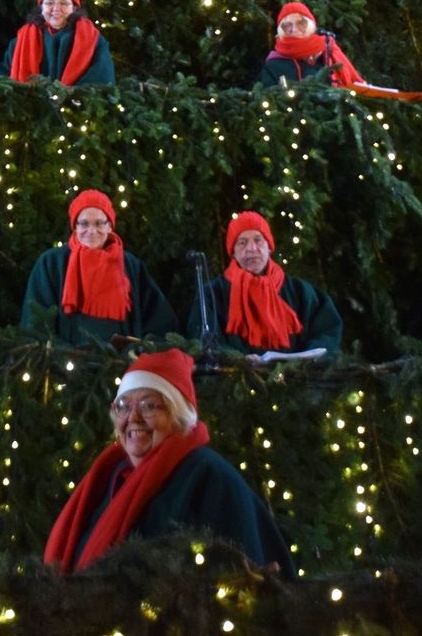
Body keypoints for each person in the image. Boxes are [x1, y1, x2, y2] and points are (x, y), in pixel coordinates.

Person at [43, 348, 293, 575]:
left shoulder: (209, 475)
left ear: (180, 416)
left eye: (149, 406)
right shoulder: (110, 475)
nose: (133, 417)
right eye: (123, 406)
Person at [21, 190, 177, 344]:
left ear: (110, 226)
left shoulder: (131, 265)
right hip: (64, 362)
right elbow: (36, 322)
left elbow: (158, 320)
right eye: (84, 223)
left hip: (121, 363)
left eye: (99, 223)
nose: (91, 231)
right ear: (75, 226)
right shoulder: (51, 263)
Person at [189, 211, 342, 357]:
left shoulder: (300, 291)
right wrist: (239, 361)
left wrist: (304, 362)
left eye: (258, 240)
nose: (251, 248)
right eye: (242, 243)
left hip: (298, 381)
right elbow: (203, 341)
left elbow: (327, 331)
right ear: (233, 252)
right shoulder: (212, 294)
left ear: (269, 247)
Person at [2, 0, 116, 85]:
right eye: (49, 3)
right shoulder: (21, 40)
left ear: (74, 8)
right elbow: (4, 80)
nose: (56, 9)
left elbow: (102, 81)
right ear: (41, 7)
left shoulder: (93, 39)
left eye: (64, 3)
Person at [255, 2, 368, 89]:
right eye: (287, 25)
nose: (294, 29)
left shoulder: (329, 53)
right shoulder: (273, 65)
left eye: (301, 23)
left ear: (311, 25)